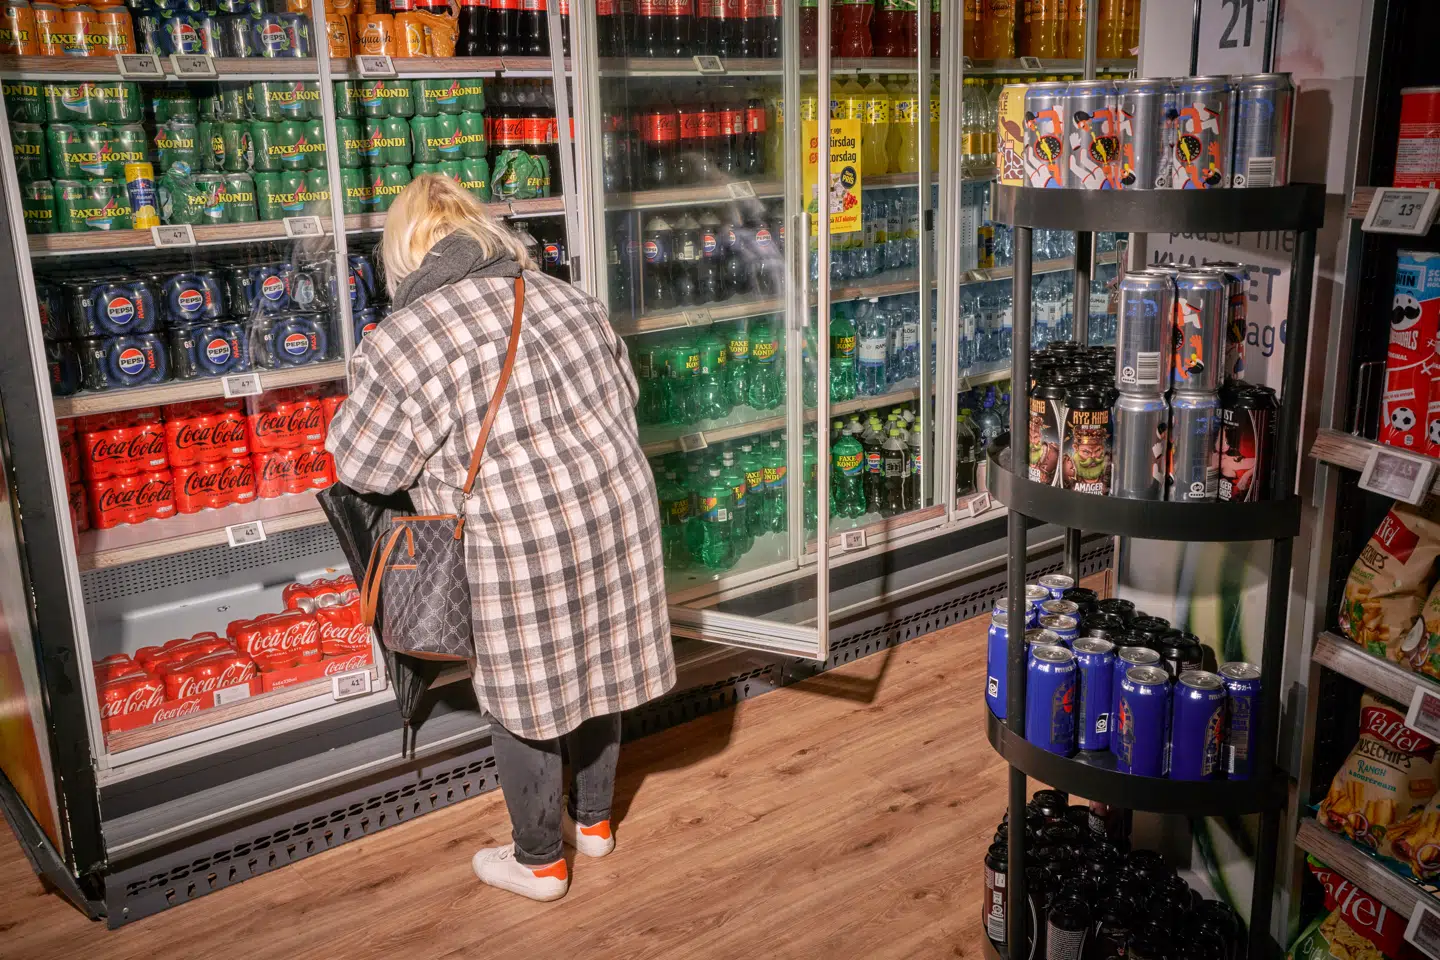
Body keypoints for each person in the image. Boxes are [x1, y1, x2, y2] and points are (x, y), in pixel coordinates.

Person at [326, 175, 677, 902]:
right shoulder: (565, 296)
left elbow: (361, 464)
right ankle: (595, 824)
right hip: (616, 503)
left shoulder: (404, 340)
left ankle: (539, 861)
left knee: (524, 691)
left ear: (407, 255)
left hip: (519, 529)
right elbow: (628, 396)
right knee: (601, 660)